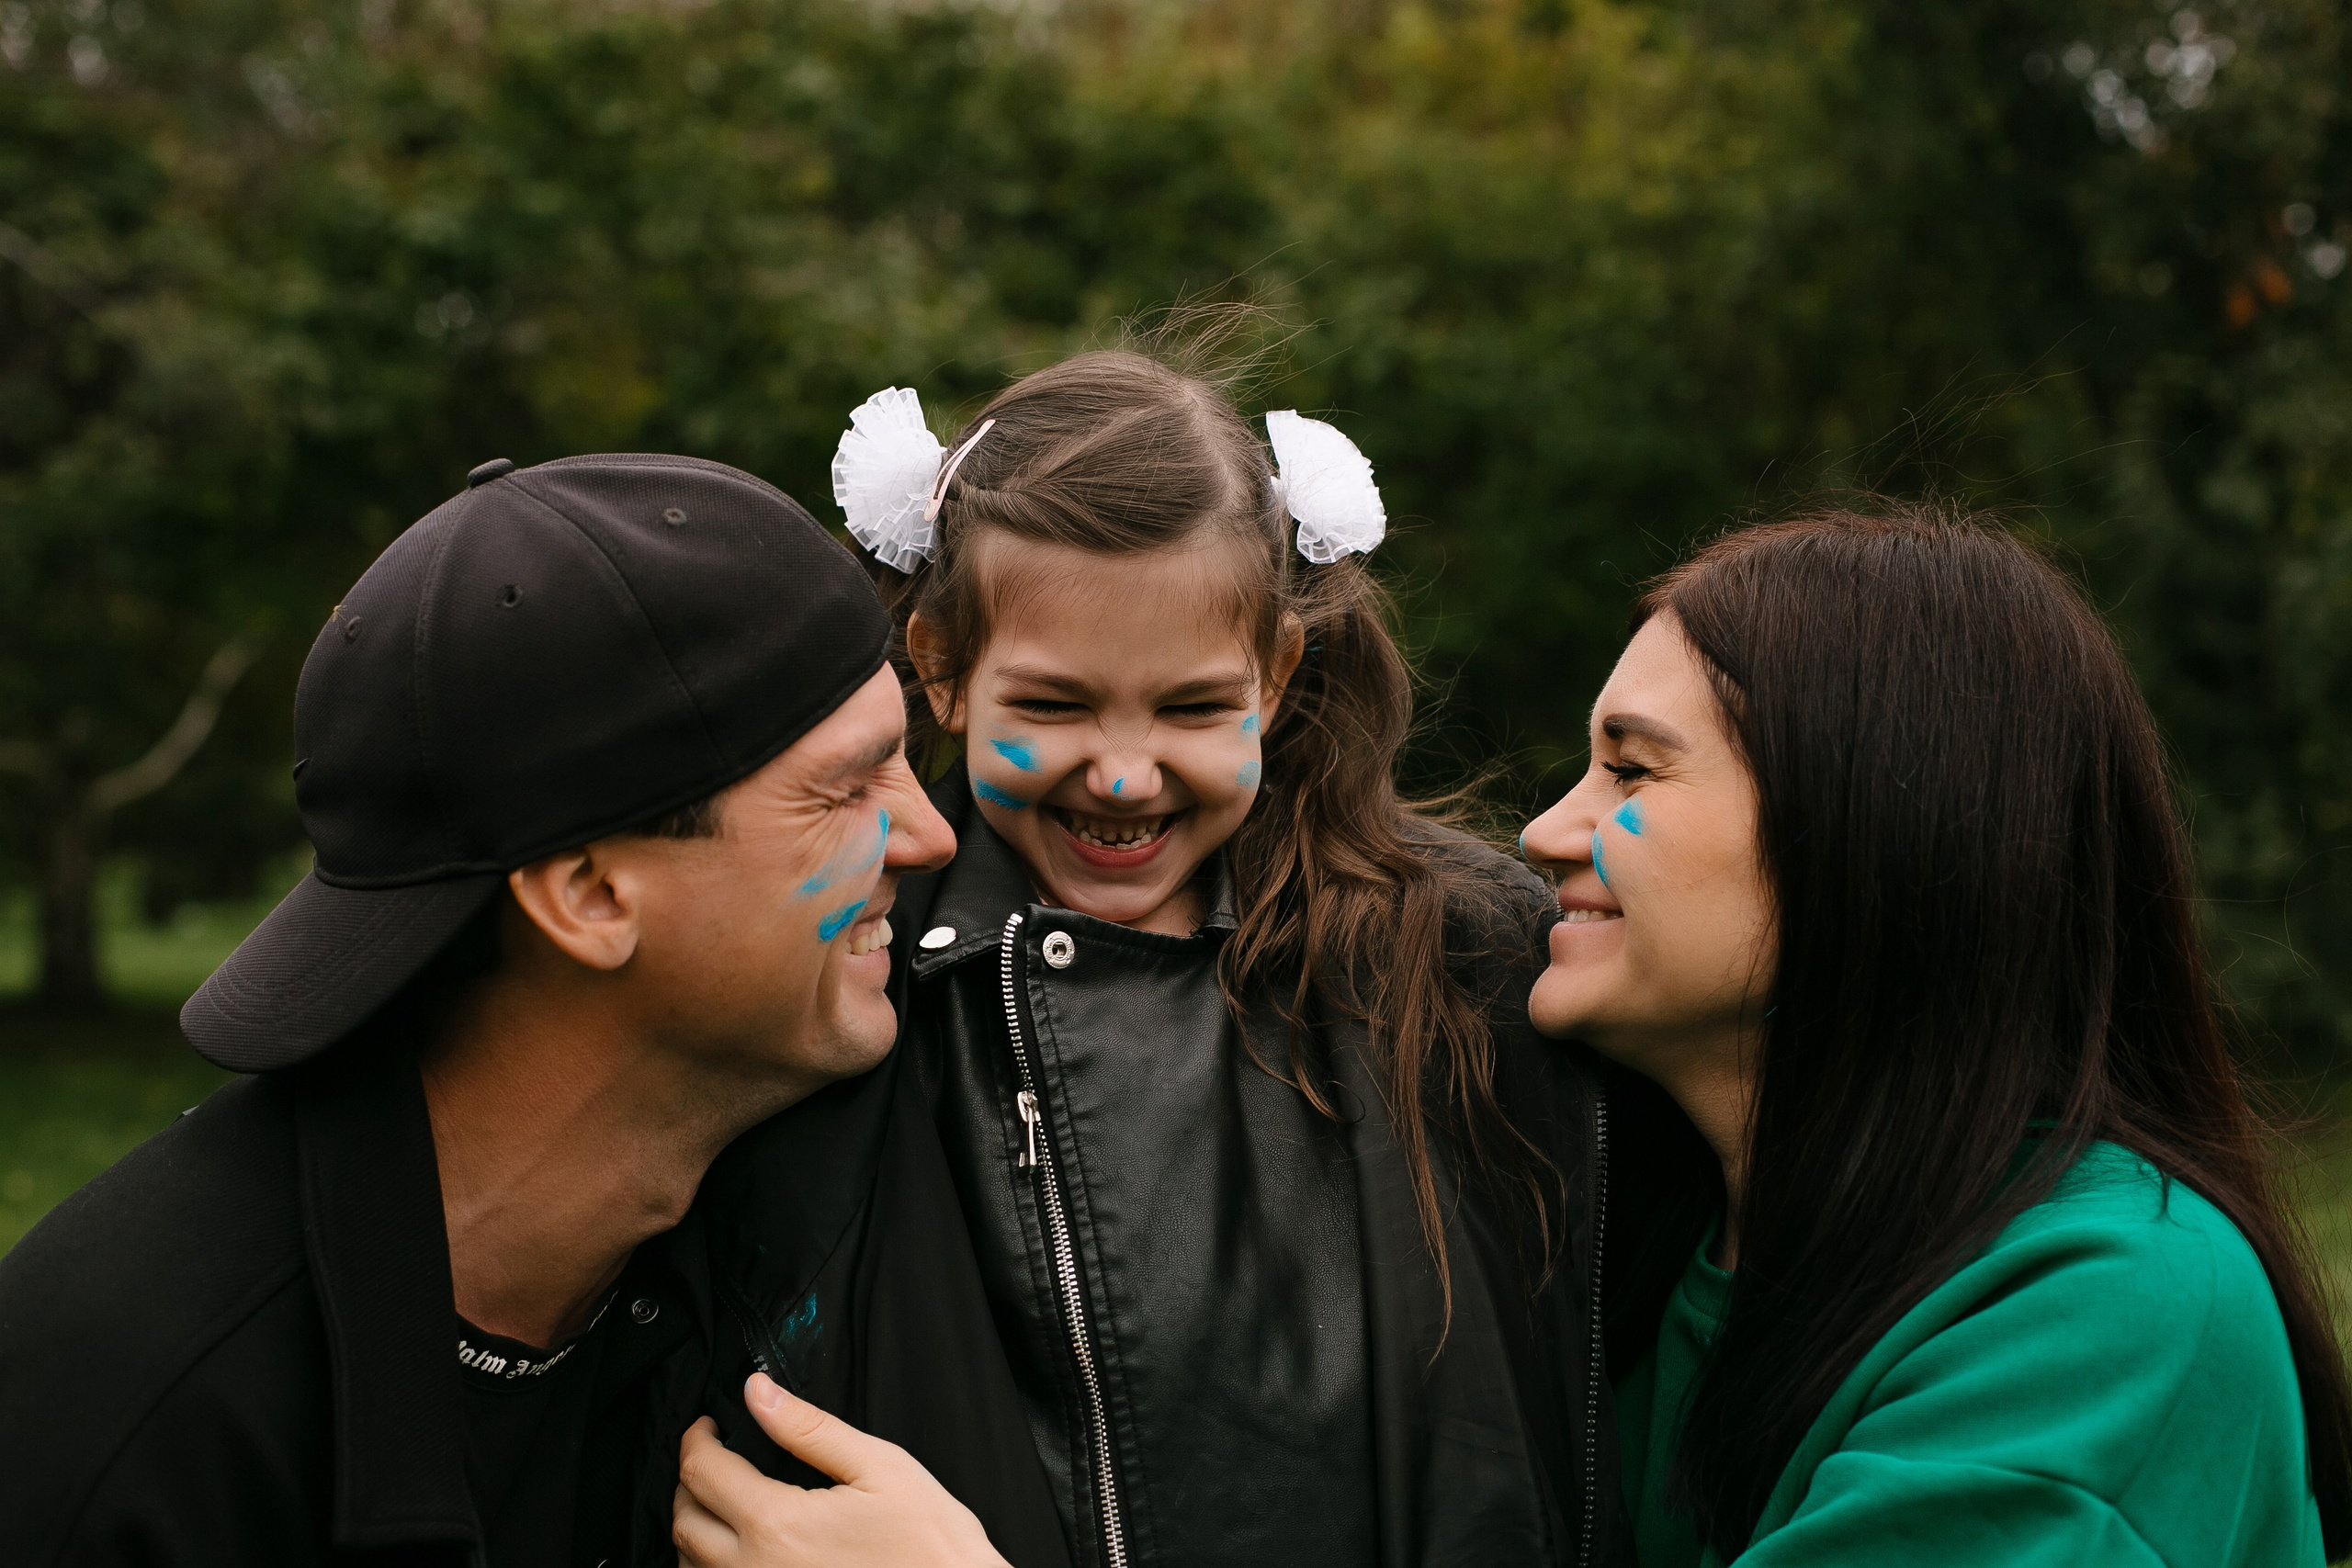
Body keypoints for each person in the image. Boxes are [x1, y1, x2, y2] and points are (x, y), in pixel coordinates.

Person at [673, 333, 1707, 1568]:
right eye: (1053, 705)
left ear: (1275, 675)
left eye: (1194, 707)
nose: (1123, 774)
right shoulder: (841, 978)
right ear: (941, 671)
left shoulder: (1470, 963)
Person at [0, 453, 978, 1565]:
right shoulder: (135, 1435)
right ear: (591, 896)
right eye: (848, 787)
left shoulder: (791, 1234)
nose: (928, 836)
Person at [1515, 507, 2352, 1565]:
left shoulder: (2112, 1306)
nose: (1542, 833)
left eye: (1631, 770)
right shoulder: (1619, 1231)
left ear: (1862, 821)